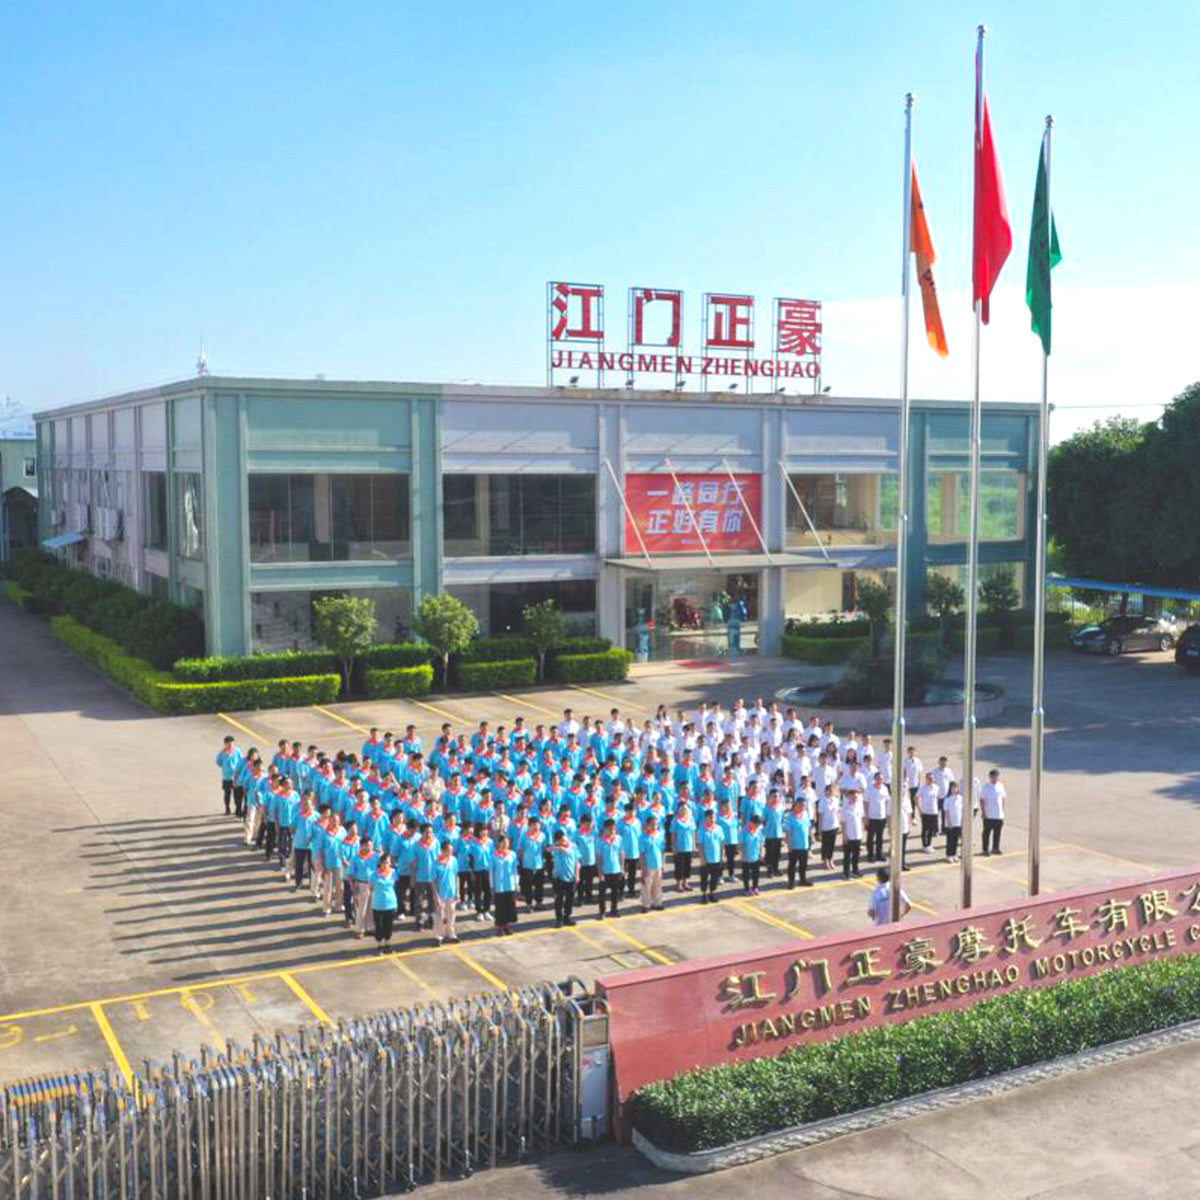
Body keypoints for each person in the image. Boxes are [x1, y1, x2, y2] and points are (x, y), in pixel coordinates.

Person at [432, 840, 460, 945]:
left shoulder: (454, 861)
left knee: (451, 914)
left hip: (451, 893)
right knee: (439, 915)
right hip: (441, 894)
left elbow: (456, 876)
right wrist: (436, 896)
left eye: (451, 851)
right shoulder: (436, 863)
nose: (450, 853)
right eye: (448, 851)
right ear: (443, 850)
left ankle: (450, 933)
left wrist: (458, 892)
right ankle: (438, 936)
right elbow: (433, 882)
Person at [490, 834, 519, 936]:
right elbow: (491, 872)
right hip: (499, 886)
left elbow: (515, 870)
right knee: (500, 907)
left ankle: (507, 926)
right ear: (499, 843)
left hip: (510, 885)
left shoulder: (512, 855)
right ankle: (500, 927)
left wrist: (516, 883)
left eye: (507, 842)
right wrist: (492, 886)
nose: (506, 844)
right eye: (504, 842)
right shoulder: (494, 856)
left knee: (509, 906)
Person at [550, 830, 580, 927]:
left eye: (564, 839)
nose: (564, 842)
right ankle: (559, 919)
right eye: (561, 841)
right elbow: (548, 849)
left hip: (571, 877)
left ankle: (567, 917)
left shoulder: (574, 846)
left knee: (570, 899)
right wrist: (560, 848)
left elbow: (577, 862)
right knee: (559, 899)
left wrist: (577, 875)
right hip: (559, 878)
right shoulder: (556, 848)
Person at [371, 854, 399, 953]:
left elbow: (395, 884)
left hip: (390, 904)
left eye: (388, 862)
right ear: (380, 863)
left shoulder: (394, 873)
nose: (386, 864)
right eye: (384, 862)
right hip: (378, 905)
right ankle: (379, 945)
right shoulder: (374, 875)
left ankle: (388, 943)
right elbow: (371, 887)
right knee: (379, 926)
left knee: (389, 926)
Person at [597, 818, 624, 918]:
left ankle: (614, 910)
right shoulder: (600, 841)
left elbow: (621, 854)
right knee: (602, 894)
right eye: (610, 829)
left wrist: (622, 868)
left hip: (616, 870)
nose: (612, 830)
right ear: (605, 829)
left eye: (614, 828)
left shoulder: (619, 839)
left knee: (615, 893)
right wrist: (600, 873)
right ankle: (602, 911)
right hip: (605, 871)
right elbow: (599, 858)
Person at [697, 809, 725, 903]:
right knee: (704, 878)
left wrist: (721, 856)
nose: (713, 819)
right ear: (706, 818)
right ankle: (704, 894)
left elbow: (722, 843)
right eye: (710, 817)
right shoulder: (702, 829)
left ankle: (712, 893)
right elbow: (700, 845)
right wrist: (702, 858)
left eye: (714, 817)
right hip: (706, 858)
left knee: (715, 877)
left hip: (716, 858)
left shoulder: (719, 828)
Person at [640, 814, 666, 912]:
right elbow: (642, 854)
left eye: (656, 824)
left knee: (658, 885)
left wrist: (663, 865)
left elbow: (662, 851)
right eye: (652, 824)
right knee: (647, 885)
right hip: (648, 866)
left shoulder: (660, 835)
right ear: (647, 825)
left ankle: (657, 903)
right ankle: (646, 904)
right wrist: (643, 868)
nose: (655, 826)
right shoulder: (643, 837)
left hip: (658, 864)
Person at [784, 796, 812, 887]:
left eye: (804, 806)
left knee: (803, 864)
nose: (803, 807)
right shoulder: (790, 817)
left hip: (804, 844)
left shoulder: (806, 814)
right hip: (794, 845)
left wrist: (810, 842)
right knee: (792, 865)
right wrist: (789, 846)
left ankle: (802, 879)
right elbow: (787, 832)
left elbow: (808, 828)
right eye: (801, 805)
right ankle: (791, 882)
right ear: (796, 805)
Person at [215, 736, 244, 817]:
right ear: (225, 744)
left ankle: (237, 809)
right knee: (227, 793)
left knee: (236, 795)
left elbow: (241, 761)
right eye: (228, 745)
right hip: (227, 777)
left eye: (232, 744)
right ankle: (227, 808)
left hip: (236, 777)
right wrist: (225, 768)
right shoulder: (222, 753)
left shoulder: (237, 751)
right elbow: (218, 762)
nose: (230, 746)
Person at [671, 800, 697, 891]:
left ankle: (685, 883)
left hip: (688, 847)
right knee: (679, 867)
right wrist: (674, 846)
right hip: (680, 847)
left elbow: (693, 832)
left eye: (685, 808)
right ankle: (678, 885)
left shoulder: (691, 819)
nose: (684, 810)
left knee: (687, 866)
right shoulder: (675, 820)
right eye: (682, 808)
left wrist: (694, 844)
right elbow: (673, 834)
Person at [840, 788, 865, 878]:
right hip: (849, 835)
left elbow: (861, 820)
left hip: (857, 834)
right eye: (853, 797)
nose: (855, 798)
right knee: (847, 856)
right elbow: (843, 823)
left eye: (856, 797)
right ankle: (846, 873)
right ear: (849, 797)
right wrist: (844, 835)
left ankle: (855, 870)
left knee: (856, 855)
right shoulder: (845, 808)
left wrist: (862, 833)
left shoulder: (859, 807)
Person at [980, 768, 1006, 855]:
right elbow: (982, 799)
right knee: (987, 832)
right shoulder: (986, 787)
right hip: (989, 814)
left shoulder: (1001, 786)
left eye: (996, 776)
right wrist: (983, 812)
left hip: (998, 814)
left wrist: (1002, 809)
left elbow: (1003, 797)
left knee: (997, 832)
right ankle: (985, 849)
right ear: (990, 777)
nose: (995, 778)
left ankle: (995, 848)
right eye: (993, 776)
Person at [740, 814, 765, 895]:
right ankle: (746, 889)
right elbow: (742, 844)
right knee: (746, 873)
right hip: (746, 855)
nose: (758, 826)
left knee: (756, 873)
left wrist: (761, 853)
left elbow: (761, 843)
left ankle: (755, 887)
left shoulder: (759, 830)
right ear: (752, 822)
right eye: (757, 824)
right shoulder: (744, 831)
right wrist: (743, 855)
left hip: (756, 855)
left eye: (759, 824)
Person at [917, 771, 940, 852]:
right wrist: (919, 809)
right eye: (929, 778)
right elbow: (916, 798)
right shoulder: (922, 788)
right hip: (925, 812)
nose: (930, 780)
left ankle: (929, 845)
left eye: (932, 778)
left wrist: (936, 807)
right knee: (925, 829)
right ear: (926, 779)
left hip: (934, 811)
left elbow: (937, 798)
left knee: (931, 829)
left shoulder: (936, 787)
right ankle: (924, 845)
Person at [943, 781, 964, 862]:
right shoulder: (947, 799)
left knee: (956, 840)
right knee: (950, 840)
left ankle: (954, 854)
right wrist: (949, 822)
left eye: (956, 787)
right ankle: (949, 855)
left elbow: (962, 810)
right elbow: (946, 812)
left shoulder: (960, 798)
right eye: (952, 788)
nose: (954, 789)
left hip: (958, 822)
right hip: (951, 823)